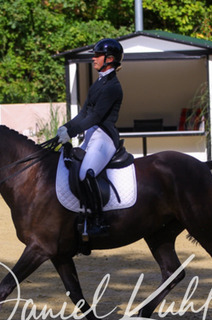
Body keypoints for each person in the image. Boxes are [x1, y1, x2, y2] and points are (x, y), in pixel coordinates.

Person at [56, 38, 124, 238]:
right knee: (70, 165)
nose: (93, 59)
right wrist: (66, 127)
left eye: (97, 56)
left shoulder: (113, 87)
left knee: (86, 172)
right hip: (91, 134)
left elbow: (95, 117)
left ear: (109, 59)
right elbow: (84, 113)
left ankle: (98, 220)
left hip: (104, 138)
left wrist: (71, 132)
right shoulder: (99, 83)